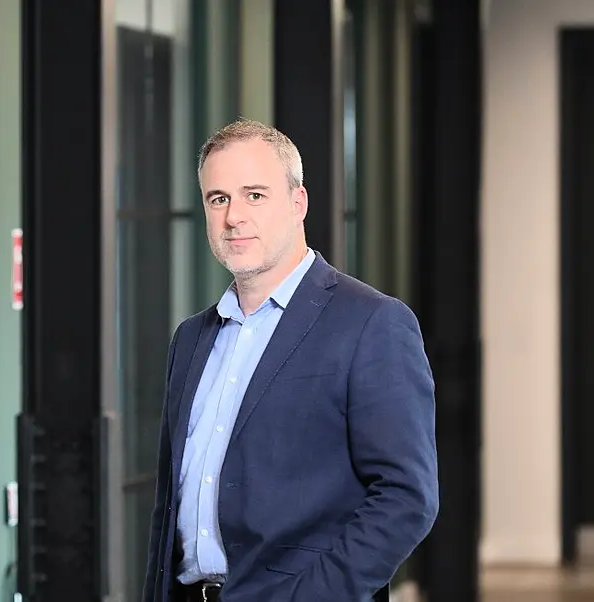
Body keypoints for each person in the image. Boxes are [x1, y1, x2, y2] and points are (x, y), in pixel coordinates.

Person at [142, 119, 439, 602]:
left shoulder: (372, 324)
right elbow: (168, 506)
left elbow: (407, 498)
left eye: (254, 195)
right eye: (219, 199)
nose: (234, 216)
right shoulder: (191, 339)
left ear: (298, 202)